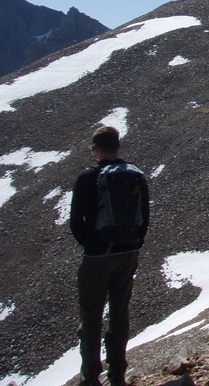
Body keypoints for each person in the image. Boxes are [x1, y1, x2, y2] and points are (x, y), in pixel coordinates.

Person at [70, 126, 150, 386]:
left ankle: (91, 377)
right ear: (119, 146)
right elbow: (144, 216)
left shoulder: (88, 177)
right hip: (127, 253)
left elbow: (75, 221)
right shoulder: (135, 175)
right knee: (119, 311)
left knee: (91, 315)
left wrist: (91, 246)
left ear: (96, 149)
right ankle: (118, 374)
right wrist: (134, 242)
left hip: (96, 257)